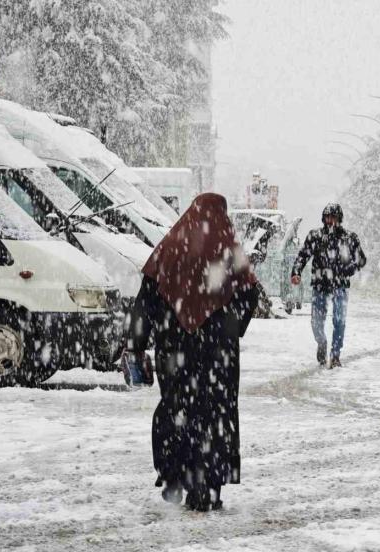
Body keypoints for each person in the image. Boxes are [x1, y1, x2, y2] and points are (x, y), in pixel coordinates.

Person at [127, 192, 259, 512]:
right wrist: (228, 326)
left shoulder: (171, 248)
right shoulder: (228, 249)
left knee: (177, 408)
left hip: (175, 349)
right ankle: (208, 486)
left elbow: (146, 300)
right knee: (215, 415)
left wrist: (137, 344)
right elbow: (249, 295)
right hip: (218, 353)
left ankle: (174, 474)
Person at [290, 203, 366, 368]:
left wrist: (348, 270)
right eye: (327, 217)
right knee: (316, 322)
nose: (330, 220)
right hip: (320, 284)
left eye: (333, 217)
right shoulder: (315, 236)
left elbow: (361, 260)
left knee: (339, 321)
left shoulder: (349, 238)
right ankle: (322, 342)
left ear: (339, 218)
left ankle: (335, 354)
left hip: (340, 285)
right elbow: (303, 256)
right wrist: (296, 272)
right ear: (323, 218)